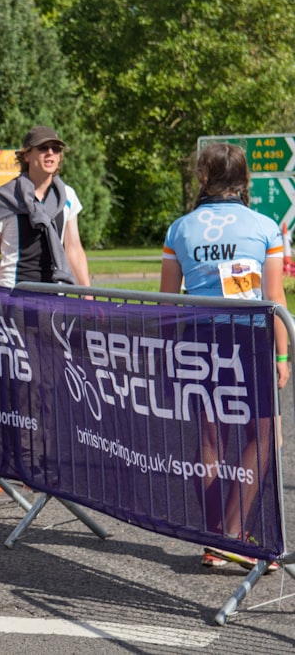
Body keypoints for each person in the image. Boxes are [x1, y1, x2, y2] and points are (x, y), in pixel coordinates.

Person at [160, 142, 289, 572]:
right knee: (263, 435)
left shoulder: (180, 228)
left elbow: (165, 301)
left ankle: (217, 538)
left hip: (197, 338)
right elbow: (274, 298)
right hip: (248, 337)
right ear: (244, 180)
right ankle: (234, 536)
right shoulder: (265, 226)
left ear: (203, 177)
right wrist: (284, 355)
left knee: (210, 439)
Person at [0, 126, 91, 288]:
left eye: (56, 149)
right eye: (43, 147)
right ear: (27, 155)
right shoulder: (5, 196)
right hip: (13, 295)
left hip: (56, 295)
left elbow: (74, 248)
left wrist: (87, 292)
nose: (50, 152)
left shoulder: (68, 196)